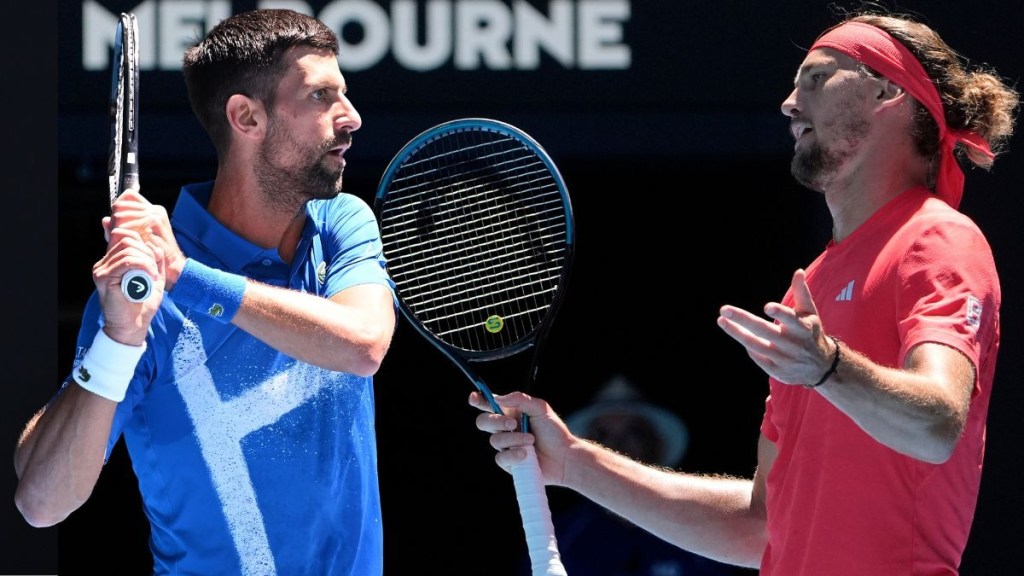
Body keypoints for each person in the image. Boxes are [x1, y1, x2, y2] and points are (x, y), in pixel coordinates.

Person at [470, 6, 1018, 575]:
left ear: (884, 92)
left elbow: (937, 426)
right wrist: (578, 465)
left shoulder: (938, 237)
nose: (788, 101)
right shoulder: (817, 280)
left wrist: (829, 368)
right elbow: (761, 526)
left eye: (815, 78)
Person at [15, 9, 396, 575]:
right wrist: (120, 336)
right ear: (246, 117)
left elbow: (362, 345)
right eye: (321, 97)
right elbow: (42, 504)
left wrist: (186, 277)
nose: (352, 117)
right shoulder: (138, 304)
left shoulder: (340, 223)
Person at [525, 375, 745, 576]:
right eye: (602, 434)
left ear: (658, 445)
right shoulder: (555, 535)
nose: (617, 445)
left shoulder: (709, 528)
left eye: (634, 432)